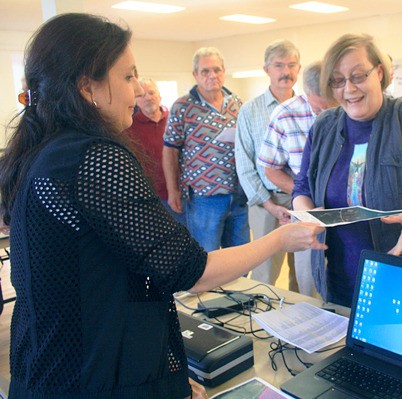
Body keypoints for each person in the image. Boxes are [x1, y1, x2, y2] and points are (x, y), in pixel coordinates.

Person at [0, 13, 325, 399]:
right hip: (94, 376)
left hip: (50, 369)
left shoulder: (41, 150)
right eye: (127, 76)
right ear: (88, 87)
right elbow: (190, 271)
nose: (137, 89)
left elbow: (99, 268)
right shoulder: (95, 157)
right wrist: (279, 240)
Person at [292, 33, 402, 307]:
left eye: (358, 76)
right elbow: (302, 187)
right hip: (339, 283)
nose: (349, 89)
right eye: (338, 81)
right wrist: (308, 214)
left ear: (379, 72)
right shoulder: (324, 126)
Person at [257, 61, 336, 296]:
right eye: (322, 109)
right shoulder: (285, 114)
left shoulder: (349, 108)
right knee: (309, 282)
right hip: (307, 211)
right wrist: (304, 196)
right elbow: (270, 169)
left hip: (345, 212)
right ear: (308, 93)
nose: (329, 113)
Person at [163, 47, 249, 251]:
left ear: (224, 71)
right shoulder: (182, 106)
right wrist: (172, 190)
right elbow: (170, 151)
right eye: (205, 71)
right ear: (195, 75)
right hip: (204, 197)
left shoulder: (237, 103)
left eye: (217, 70)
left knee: (241, 256)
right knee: (206, 256)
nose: (213, 76)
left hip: (238, 194)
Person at [235, 40, 302, 288]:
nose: (286, 71)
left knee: (306, 278)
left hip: (303, 202)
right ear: (266, 70)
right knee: (264, 277)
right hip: (265, 203)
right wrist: (271, 206)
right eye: (279, 65)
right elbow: (244, 164)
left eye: (292, 65)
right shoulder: (250, 111)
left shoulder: (309, 109)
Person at [128, 77, 187, 226]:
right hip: (151, 198)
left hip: (182, 194)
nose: (148, 98)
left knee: (189, 240)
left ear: (159, 96)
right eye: (142, 95)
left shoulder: (175, 121)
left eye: (151, 93)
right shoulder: (129, 127)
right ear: (136, 100)